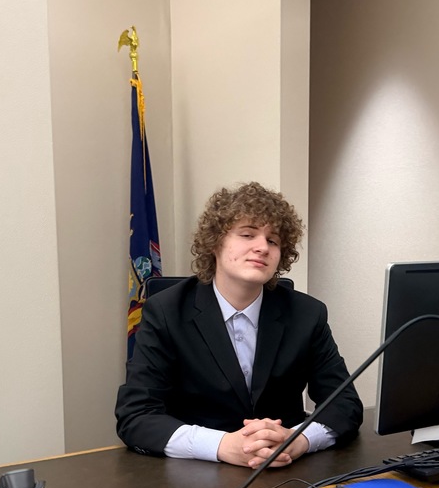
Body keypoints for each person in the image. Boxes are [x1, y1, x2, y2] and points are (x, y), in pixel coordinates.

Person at [115, 182, 363, 468]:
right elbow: (136, 416)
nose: (262, 247)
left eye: (273, 240)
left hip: (285, 472)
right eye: (247, 234)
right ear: (215, 242)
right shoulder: (166, 311)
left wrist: (298, 440)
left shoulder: (307, 314)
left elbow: (345, 404)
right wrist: (223, 445)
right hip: (195, 476)